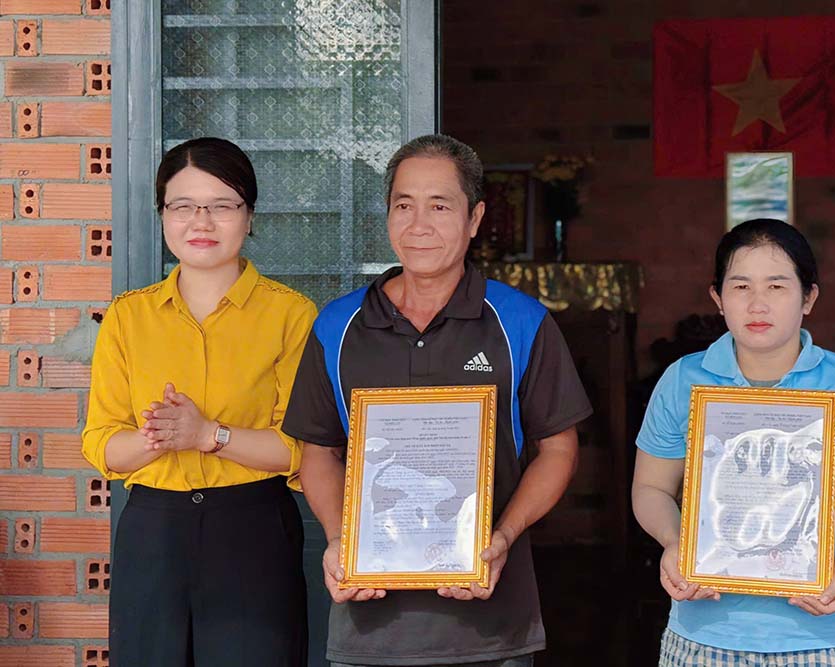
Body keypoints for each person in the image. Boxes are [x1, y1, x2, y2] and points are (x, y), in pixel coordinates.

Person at [281, 134, 592, 667]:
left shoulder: (521, 322)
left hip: (492, 626)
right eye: (403, 205)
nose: (418, 224)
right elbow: (319, 453)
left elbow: (558, 450)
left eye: (439, 205)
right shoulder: (337, 326)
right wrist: (339, 541)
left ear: (475, 219)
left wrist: (502, 538)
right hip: (368, 628)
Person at [633, 218, 835, 667]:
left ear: (809, 298)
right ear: (718, 298)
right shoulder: (683, 381)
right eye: (741, 287)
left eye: (778, 287)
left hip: (829, 638)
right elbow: (650, 489)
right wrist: (674, 543)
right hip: (705, 637)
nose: (757, 304)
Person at [82, 137, 316, 667]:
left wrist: (210, 435)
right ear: (164, 216)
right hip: (153, 534)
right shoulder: (127, 318)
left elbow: (303, 448)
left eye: (222, 205)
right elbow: (101, 446)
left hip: (253, 532)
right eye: (183, 206)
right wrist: (161, 436)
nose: (201, 221)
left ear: (249, 216)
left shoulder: (291, 315)